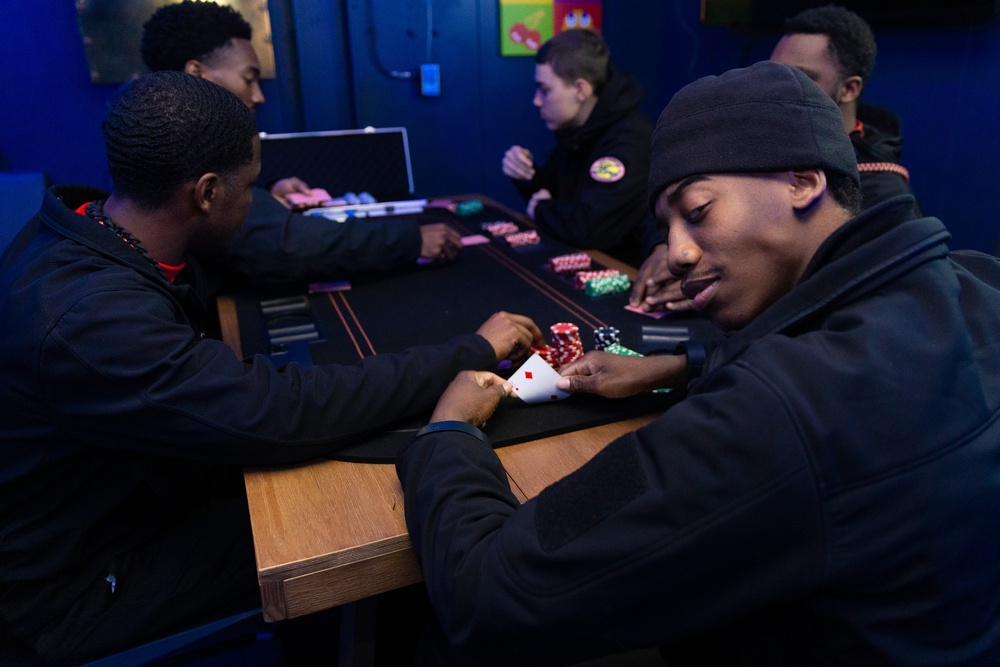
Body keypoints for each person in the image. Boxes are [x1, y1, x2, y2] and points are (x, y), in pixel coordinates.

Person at [396, 61, 1000, 665]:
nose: (678, 253)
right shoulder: (973, 281)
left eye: (699, 209)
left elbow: (487, 594)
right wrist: (676, 365)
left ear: (801, 181)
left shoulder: (772, 408)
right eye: (667, 226)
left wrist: (447, 433)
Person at [0, 70, 542, 662]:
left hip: (125, 500)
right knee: (363, 528)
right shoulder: (90, 317)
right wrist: (472, 350)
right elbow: (281, 411)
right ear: (205, 194)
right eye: (251, 188)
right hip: (75, 586)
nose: (258, 204)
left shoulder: (93, 228)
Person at [141, 0, 462, 292]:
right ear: (196, 73)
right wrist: (411, 240)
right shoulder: (181, 154)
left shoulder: (153, 132)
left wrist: (264, 193)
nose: (258, 97)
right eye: (249, 78)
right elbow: (284, 244)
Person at [632, 5, 921, 315]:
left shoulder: (882, 193)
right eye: (773, 72)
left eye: (799, 76)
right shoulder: (759, 140)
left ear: (849, 89)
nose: (777, 85)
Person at [501, 28, 654, 266]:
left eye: (545, 89)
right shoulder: (579, 128)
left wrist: (541, 209)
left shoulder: (628, 140)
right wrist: (526, 175)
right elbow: (559, 196)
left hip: (618, 275)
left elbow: (589, 227)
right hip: (579, 261)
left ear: (580, 90)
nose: (536, 100)